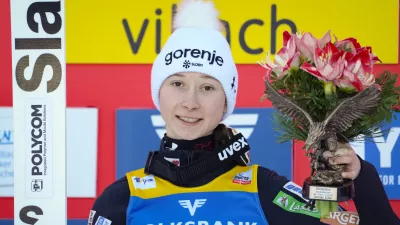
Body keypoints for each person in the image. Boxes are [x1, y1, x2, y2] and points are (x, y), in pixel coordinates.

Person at [87, 0, 400, 224]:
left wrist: (361, 174)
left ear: (226, 102)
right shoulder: (120, 201)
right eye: (178, 83)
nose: (190, 102)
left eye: (208, 87)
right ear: (158, 93)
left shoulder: (264, 190)